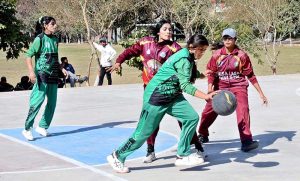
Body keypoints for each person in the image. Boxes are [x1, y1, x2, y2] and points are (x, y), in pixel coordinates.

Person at [107, 34, 217, 173]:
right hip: (157, 96)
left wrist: (201, 75)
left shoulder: (187, 56)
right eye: (201, 50)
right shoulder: (184, 58)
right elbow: (186, 86)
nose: (202, 53)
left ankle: (182, 154)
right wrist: (205, 96)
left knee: (191, 118)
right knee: (143, 133)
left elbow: (185, 73)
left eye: (204, 50)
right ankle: (117, 156)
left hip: (172, 95)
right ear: (191, 47)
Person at [198, 28, 268, 152]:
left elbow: (250, 75)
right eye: (225, 38)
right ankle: (203, 133)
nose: (227, 40)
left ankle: (246, 141)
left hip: (238, 86)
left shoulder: (242, 55)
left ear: (235, 39)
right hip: (221, 86)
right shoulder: (217, 55)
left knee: (243, 110)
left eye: (230, 38)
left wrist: (261, 94)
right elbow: (211, 73)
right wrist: (210, 89)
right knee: (208, 110)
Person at [22, 16, 67, 141]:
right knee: (37, 102)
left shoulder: (55, 39)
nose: (55, 25)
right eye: (52, 23)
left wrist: (61, 68)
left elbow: (54, 57)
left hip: (53, 75)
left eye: (55, 23)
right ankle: (27, 129)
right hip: (42, 74)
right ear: (45, 25)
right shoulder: (39, 39)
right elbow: (28, 55)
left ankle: (42, 126)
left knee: (52, 103)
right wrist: (31, 72)